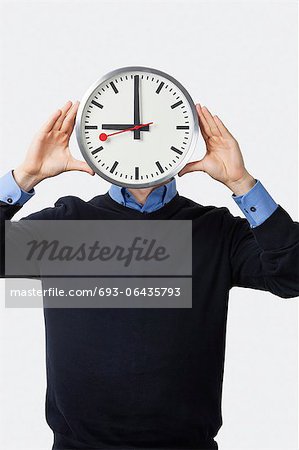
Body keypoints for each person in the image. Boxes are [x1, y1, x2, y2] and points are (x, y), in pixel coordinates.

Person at [1, 100, 298, 450]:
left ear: (184, 140)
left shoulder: (216, 231)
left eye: (152, 129)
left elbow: (291, 275)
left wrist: (243, 183)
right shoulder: (67, 224)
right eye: (124, 131)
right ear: (97, 143)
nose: (137, 139)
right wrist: (25, 177)